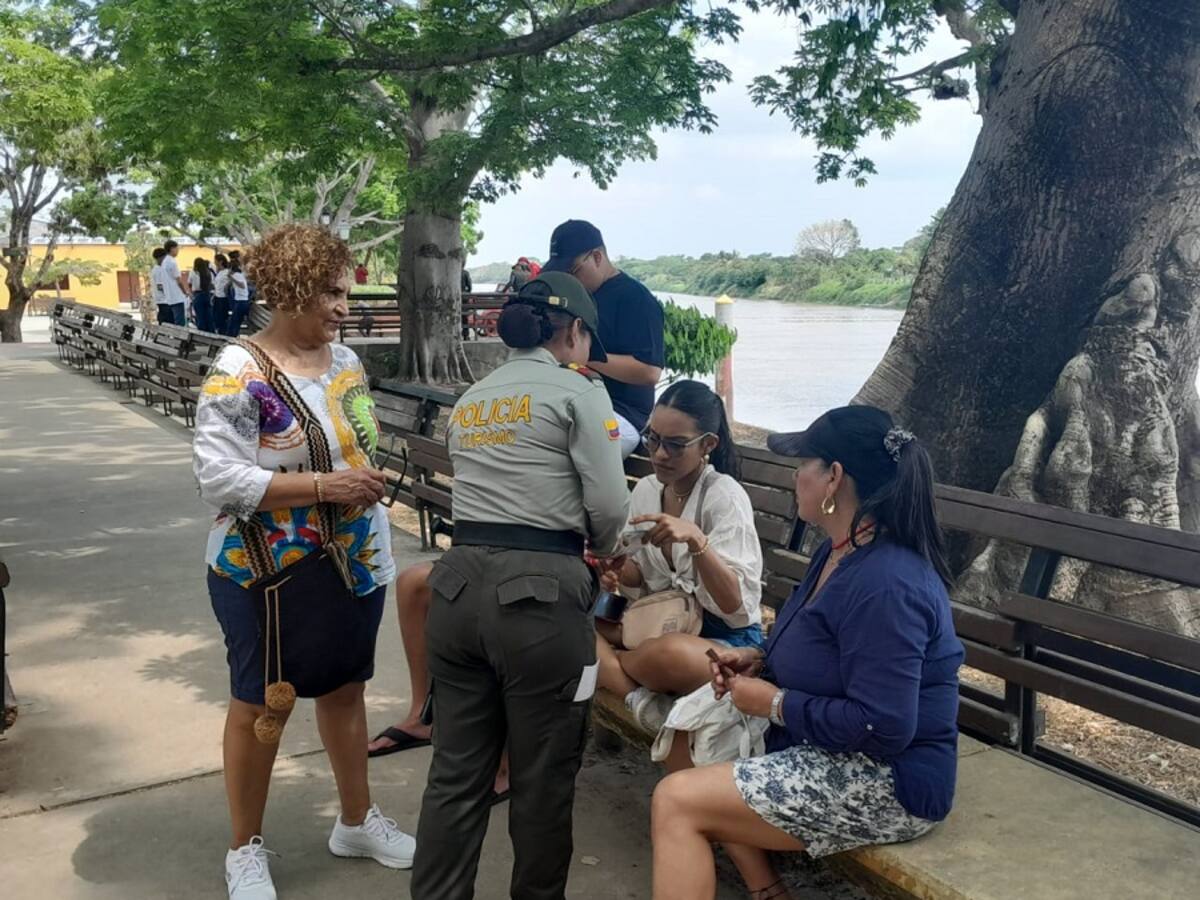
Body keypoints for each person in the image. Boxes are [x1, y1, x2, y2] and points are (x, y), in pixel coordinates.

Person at [650, 406, 965, 900]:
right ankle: (768, 889)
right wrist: (759, 661)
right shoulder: (839, 550)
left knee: (677, 801)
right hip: (828, 745)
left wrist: (774, 704)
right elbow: (822, 644)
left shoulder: (887, 585)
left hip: (889, 780)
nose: (795, 476)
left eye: (803, 465)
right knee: (687, 737)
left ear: (834, 477)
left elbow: (883, 726)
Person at [193, 224, 414, 900]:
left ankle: (355, 821)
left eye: (346, 291)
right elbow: (219, 479)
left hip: (356, 561)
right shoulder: (239, 372)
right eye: (330, 291)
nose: (344, 306)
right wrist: (326, 486)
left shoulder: (346, 361)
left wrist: (360, 478)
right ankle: (245, 848)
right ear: (288, 289)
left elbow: (353, 446)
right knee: (260, 703)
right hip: (263, 571)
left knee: (347, 689)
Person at [411, 271, 630, 900]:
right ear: (575, 332)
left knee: (455, 774)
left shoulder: (473, 397)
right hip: (539, 597)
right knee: (542, 778)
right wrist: (608, 553)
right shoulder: (578, 393)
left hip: (454, 589)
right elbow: (609, 504)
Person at [594, 380, 763, 733]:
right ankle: (639, 698)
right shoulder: (647, 490)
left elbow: (734, 604)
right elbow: (638, 573)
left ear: (708, 445)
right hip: (659, 620)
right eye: (652, 439)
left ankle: (613, 668)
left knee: (667, 654)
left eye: (674, 445)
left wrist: (697, 542)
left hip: (724, 641)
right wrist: (615, 568)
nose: (658, 454)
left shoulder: (724, 497)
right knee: (572, 623)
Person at [542, 220, 664, 458]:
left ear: (597, 257)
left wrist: (585, 356)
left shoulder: (636, 300)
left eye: (572, 271)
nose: (568, 280)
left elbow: (650, 372)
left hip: (620, 414)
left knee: (563, 456)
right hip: (571, 403)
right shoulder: (572, 298)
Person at [161, 240, 191, 326]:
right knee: (180, 322)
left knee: (174, 321)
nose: (178, 251)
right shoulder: (172, 262)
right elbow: (179, 280)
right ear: (172, 249)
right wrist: (184, 292)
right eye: (177, 248)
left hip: (169, 296)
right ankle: (180, 338)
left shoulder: (164, 262)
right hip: (177, 296)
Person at [225, 258, 251, 336]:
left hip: (241, 301)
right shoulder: (239, 275)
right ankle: (233, 335)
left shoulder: (236, 275)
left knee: (234, 321)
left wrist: (231, 277)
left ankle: (231, 336)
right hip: (241, 300)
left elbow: (242, 285)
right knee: (236, 321)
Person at [190, 256, 216, 332]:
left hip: (197, 295)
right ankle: (211, 331)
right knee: (209, 315)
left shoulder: (193, 272)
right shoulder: (208, 272)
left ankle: (202, 332)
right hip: (207, 294)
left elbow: (189, 283)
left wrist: (191, 293)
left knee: (200, 316)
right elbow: (211, 285)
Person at [212, 253, 232, 335]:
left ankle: (223, 332)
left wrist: (228, 286)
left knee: (222, 317)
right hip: (217, 296)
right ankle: (219, 331)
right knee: (216, 317)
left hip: (223, 297)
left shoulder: (227, 272)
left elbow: (232, 281)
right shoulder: (219, 272)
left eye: (216, 261)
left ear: (220, 261)